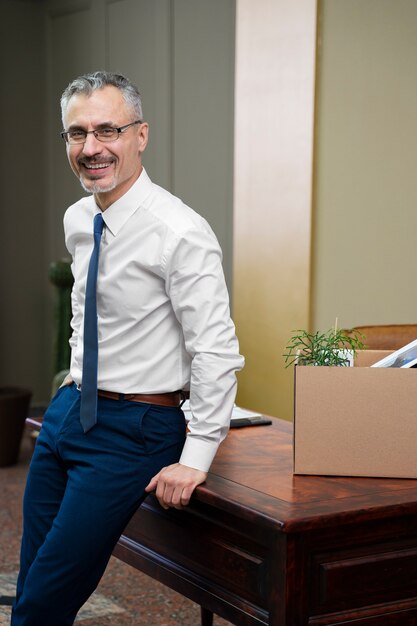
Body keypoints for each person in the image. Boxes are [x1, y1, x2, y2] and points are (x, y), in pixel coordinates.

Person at [11, 71, 244, 626]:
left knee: (44, 602)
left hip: (136, 427)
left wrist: (196, 456)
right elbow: (86, 317)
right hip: (70, 411)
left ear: (141, 135)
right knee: (30, 581)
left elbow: (216, 348)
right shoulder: (79, 218)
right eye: (76, 133)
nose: (91, 148)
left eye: (107, 130)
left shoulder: (179, 231)